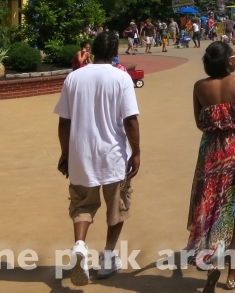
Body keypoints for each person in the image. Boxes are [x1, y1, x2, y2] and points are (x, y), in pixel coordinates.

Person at [55, 32, 140, 285]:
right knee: (117, 207)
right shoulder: (121, 78)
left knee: (82, 205)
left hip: (81, 154)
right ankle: (108, 257)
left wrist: (65, 153)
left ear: (92, 50)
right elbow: (130, 120)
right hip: (112, 155)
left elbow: (63, 122)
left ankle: (80, 246)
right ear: (115, 51)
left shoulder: (73, 78)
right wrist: (136, 152)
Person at [186, 42, 235, 292]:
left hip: (210, 153)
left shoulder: (200, 87)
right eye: (234, 54)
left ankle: (210, 263)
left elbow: (199, 123)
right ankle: (232, 275)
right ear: (228, 61)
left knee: (210, 207)